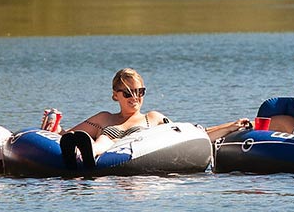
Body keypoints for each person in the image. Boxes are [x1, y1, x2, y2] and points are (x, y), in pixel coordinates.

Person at [58, 68, 250, 168]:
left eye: (139, 91)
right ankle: (87, 155)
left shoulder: (153, 118)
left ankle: (89, 155)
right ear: (115, 95)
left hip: (137, 146)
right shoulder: (104, 118)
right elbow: (69, 134)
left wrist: (230, 126)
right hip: (106, 145)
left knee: (112, 140)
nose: (134, 97)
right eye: (127, 93)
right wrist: (54, 126)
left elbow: (189, 134)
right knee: (105, 138)